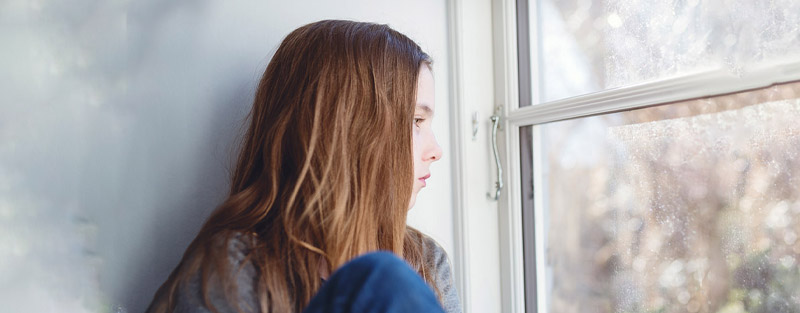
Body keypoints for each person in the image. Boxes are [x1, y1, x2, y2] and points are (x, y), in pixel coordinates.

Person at [145, 20, 461, 313]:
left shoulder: (427, 262)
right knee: (385, 279)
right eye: (416, 121)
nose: (436, 150)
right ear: (346, 130)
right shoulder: (237, 269)